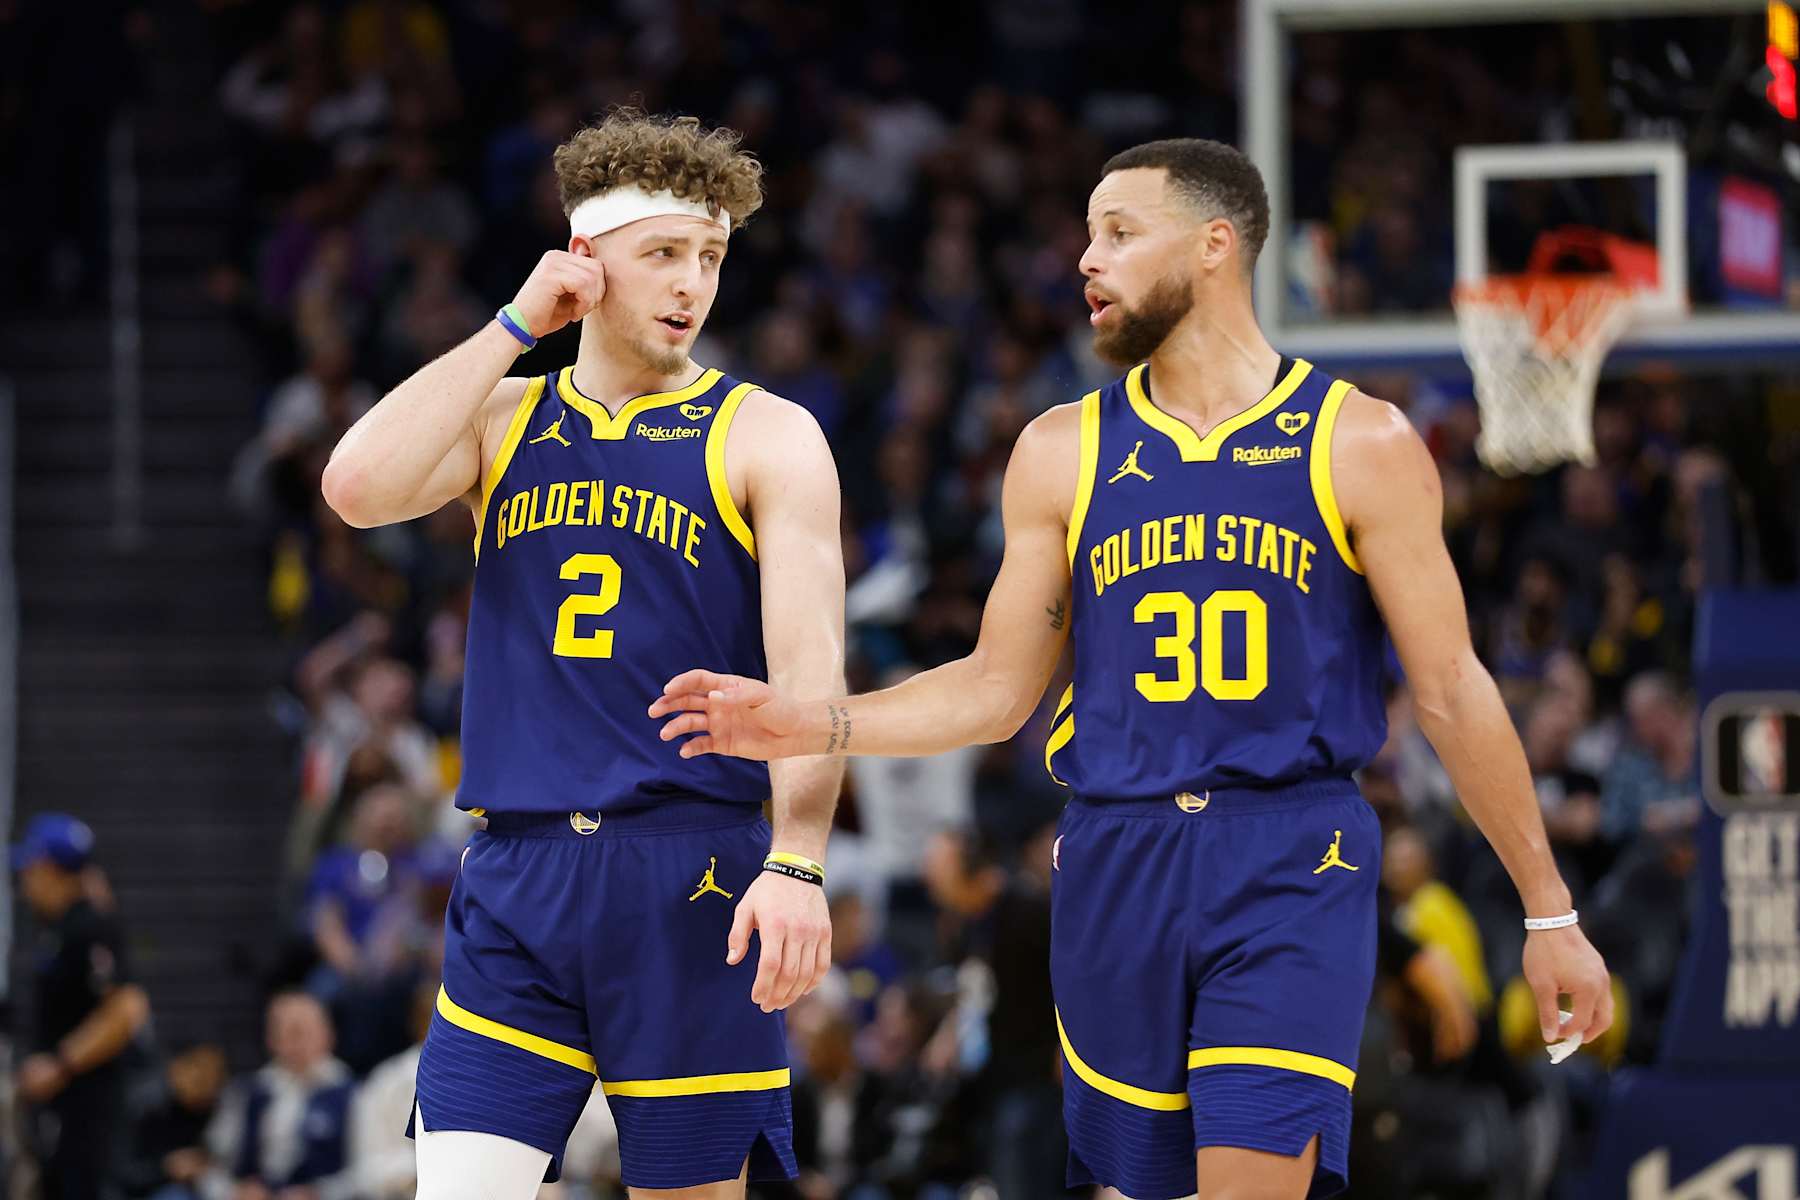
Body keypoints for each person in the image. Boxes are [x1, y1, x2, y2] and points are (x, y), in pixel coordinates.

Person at [652, 138, 1612, 1200]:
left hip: (1291, 850)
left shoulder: (1360, 442)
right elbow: (995, 689)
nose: (1085, 260)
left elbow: (1452, 690)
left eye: (1118, 233)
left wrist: (1548, 911)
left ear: (1213, 247)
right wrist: (814, 722)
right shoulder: (1063, 449)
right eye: (1087, 233)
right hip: (1116, 850)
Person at [322, 108, 845, 1199]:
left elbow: (811, 677)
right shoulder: (503, 417)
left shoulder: (767, 432)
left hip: (691, 866)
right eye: (663, 252)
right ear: (586, 258)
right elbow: (355, 488)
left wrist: (796, 860)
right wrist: (515, 323)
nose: (692, 283)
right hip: (518, 872)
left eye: (709, 256)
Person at [11, 812, 152, 1200]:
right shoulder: (55, 929)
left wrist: (60, 1063)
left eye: (31, 869)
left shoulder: (91, 926)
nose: (24, 882)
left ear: (53, 870)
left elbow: (127, 1008)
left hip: (90, 1107)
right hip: (62, 1106)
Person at [207, 992, 356, 1200]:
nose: (297, 1042)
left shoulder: (353, 1094)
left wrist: (318, 1193)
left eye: (304, 1031)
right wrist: (234, 1192)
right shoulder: (248, 1091)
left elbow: (366, 1171)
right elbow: (215, 1164)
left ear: (328, 1034)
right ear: (271, 1039)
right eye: (287, 1032)